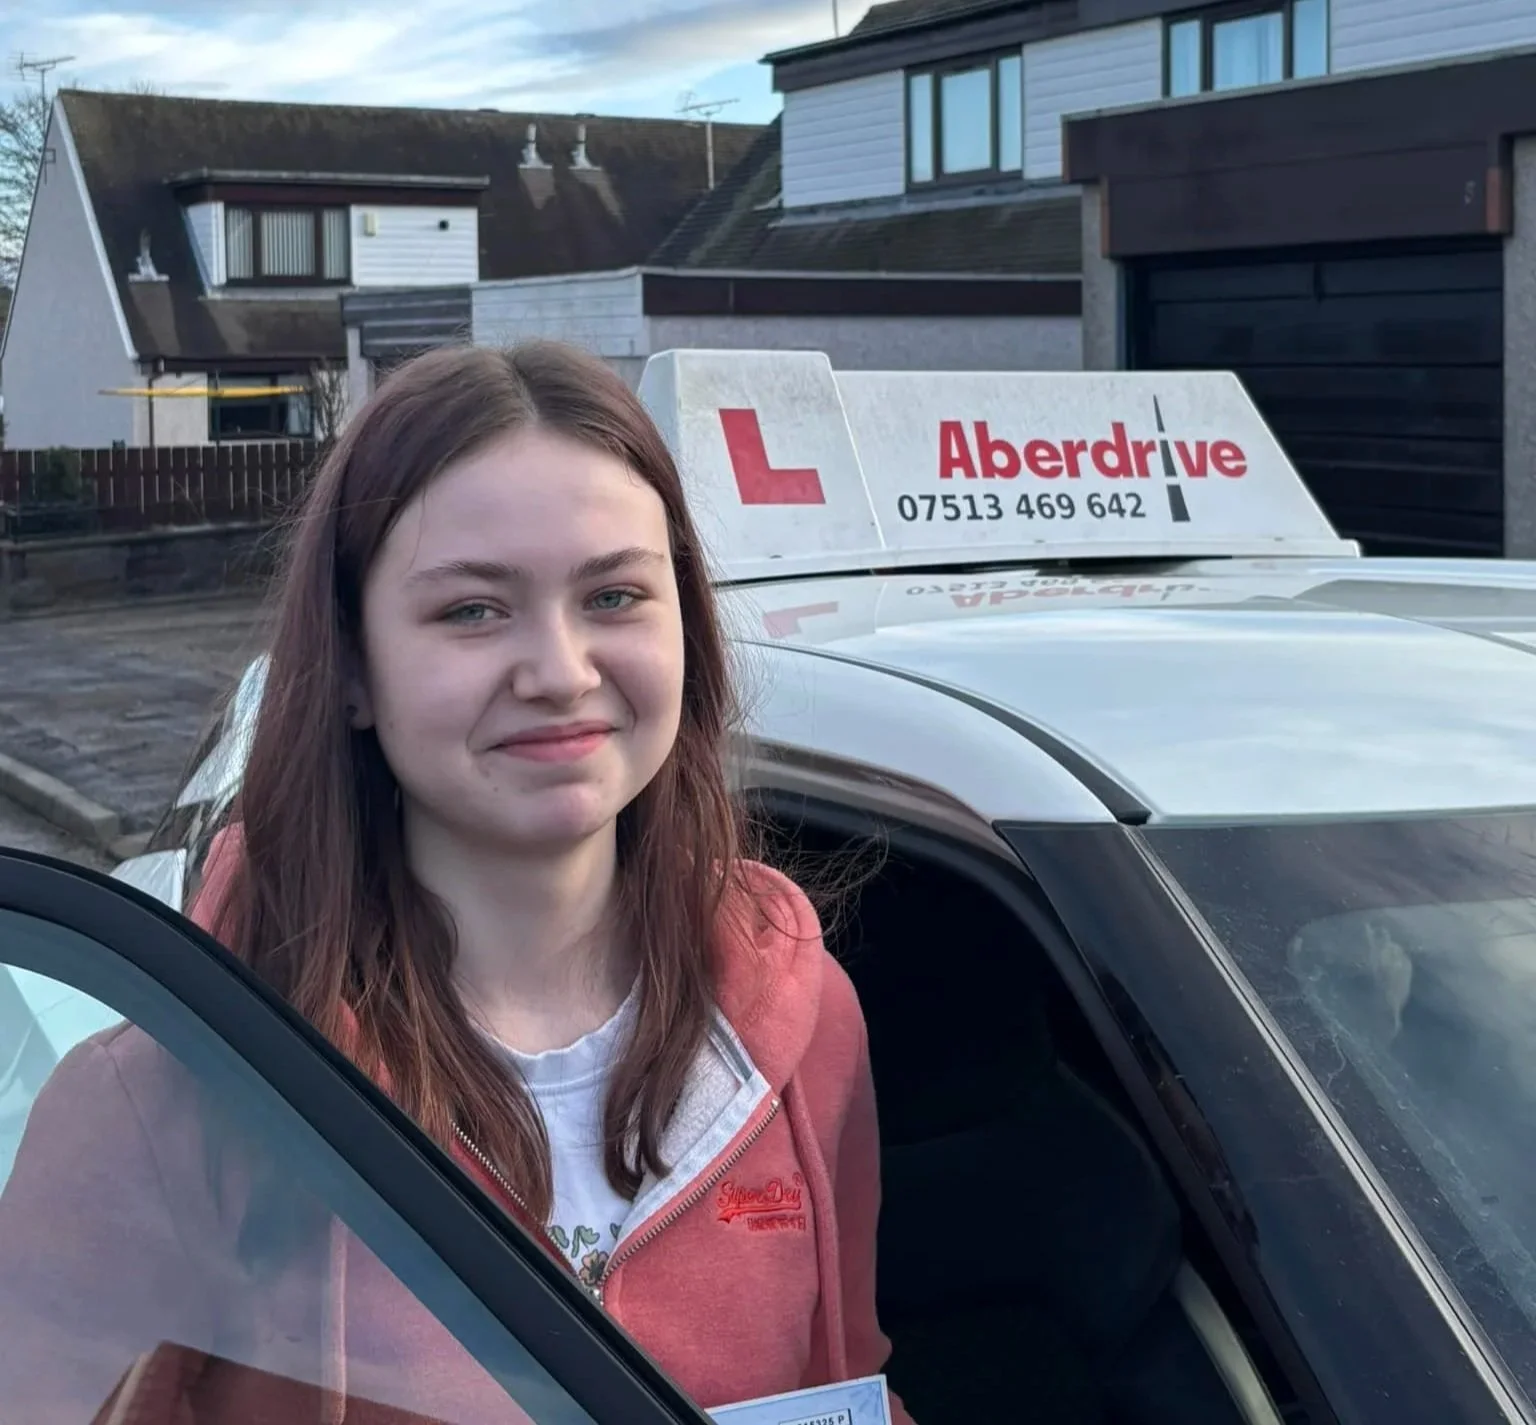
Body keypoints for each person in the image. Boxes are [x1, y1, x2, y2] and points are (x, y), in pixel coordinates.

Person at [0, 341, 912, 1423]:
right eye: (472, 611)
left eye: (614, 595)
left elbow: (846, 1390)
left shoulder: (808, 1028)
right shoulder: (168, 1096)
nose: (561, 671)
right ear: (349, 668)